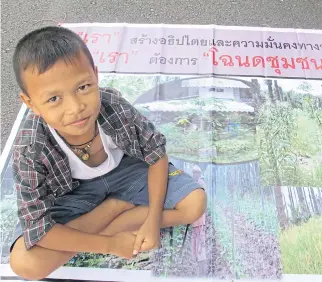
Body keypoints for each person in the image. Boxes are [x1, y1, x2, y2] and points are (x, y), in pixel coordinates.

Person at [9, 26, 206, 281]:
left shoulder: (112, 105)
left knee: (194, 204)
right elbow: (39, 229)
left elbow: (155, 153)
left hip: (126, 172)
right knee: (25, 264)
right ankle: (116, 208)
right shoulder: (29, 150)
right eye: (54, 99)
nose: (76, 108)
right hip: (74, 193)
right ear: (30, 103)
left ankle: (121, 217)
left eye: (83, 87)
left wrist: (152, 219)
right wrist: (110, 244)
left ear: (96, 76)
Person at [191, 165, 208, 276]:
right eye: (194, 173)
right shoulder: (193, 183)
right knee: (195, 236)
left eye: (197, 172)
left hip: (200, 215)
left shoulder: (201, 184)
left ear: (200, 174)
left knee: (200, 236)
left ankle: (201, 257)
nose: (195, 174)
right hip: (194, 216)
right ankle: (195, 256)